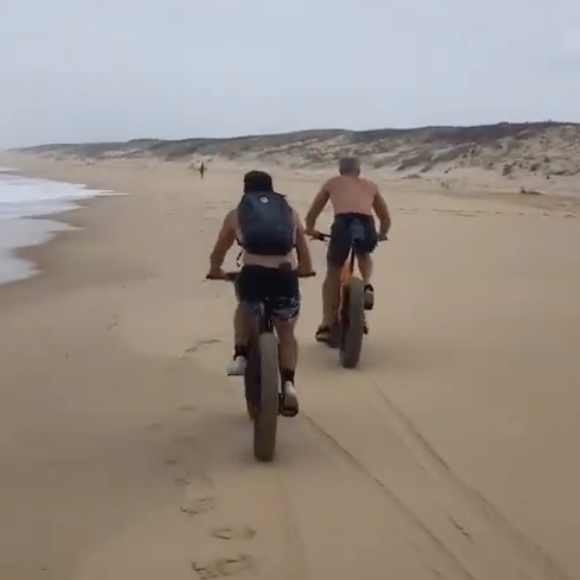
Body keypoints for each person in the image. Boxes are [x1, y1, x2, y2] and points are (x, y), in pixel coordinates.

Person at [206, 170, 315, 417]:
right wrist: (305, 270)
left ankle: (241, 354)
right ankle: (288, 384)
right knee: (286, 332)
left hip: (253, 275)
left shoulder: (237, 215)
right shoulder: (290, 213)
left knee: (245, 306)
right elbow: (303, 250)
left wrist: (215, 270)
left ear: (246, 190)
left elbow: (219, 249)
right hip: (285, 278)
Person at [304, 156, 391, 342]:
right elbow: (385, 217)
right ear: (358, 170)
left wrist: (311, 229)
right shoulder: (370, 186)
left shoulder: (333, 183)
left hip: (343, 223)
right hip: (366, 224)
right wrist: (382, 233)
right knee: (364, 254)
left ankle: (327, 323)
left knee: (333, 272)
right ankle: (367, 283)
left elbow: (313, 212)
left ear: (340, 170)